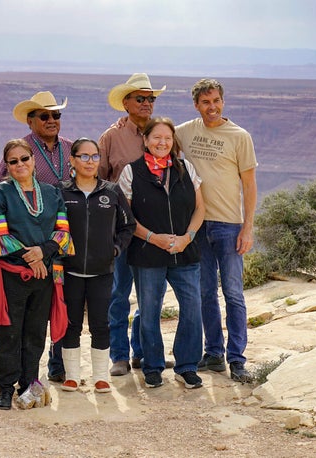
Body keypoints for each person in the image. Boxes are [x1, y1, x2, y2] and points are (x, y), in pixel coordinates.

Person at [175, 79, 258, 383]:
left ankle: (237, 359)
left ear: (223, 101)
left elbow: (249, 185)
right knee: (205, 292)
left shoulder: (239, 136)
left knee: (233, 293)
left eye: (217, 101)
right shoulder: (184, 132)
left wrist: (248, 228)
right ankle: (213, 353)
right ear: (196, 105)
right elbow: (156, 138)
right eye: (206, 102)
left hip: (229, 224)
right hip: (197, 225)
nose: (212, 107)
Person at [0, 139, 74, 410]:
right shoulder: (0, 194)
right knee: (10, 332)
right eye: (13, 161)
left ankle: (28, 385)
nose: (20, 164)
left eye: (24, 158)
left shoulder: (51, 192)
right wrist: (30, 258)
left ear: (33, 161)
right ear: (7, 166)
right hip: (12, 275)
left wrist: (42, 252)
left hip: (43, 274)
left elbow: (62, 231)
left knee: (35, 332)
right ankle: (5, 387)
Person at [118, 117, 206, 389]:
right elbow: (127, 217)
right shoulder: (131, 172)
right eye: (156, 137)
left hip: (184, 251)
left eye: (167, 138)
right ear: (145, 140)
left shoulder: (185, 168)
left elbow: (200, 209)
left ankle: (187, 366)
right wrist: (153, 238)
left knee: (192, 309)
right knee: (150, 310)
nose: (162, 143)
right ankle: (153, 366)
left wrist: (187, 238)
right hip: (147, 253)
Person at [0, 90, 74, 383]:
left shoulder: (70, 148)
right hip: (25, 252)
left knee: (61, 305)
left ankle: (58, 366)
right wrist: (33, 254)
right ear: (31, 121)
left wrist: (50, 247)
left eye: (56, 115)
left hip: (62, 240)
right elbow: (2, 194)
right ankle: (16, 380)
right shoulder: (21, 150)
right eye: (45, 115)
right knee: (22, 322)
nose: (52, 120)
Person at [98, 73, 170, 376]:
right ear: (125, 103)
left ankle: (143, 351)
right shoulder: (111, 137)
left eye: (150, 98)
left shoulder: (163, 134)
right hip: (122, 228)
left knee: (150, 295)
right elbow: (99, 179)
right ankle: (119, 355)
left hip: (155, 228)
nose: (146, 103)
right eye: (140, 98)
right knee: (119, 293)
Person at [59, 138, 135, 393]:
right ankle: (71, 376)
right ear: (72, 160)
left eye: (94, 157)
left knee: (100, 324)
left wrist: (115, 249)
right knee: (71, 323)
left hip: (102, 271)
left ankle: (101, 377)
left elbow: (128, 225)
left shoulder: (111, 191)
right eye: (84, 156)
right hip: (70, 271)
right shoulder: (61, 192)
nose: (90, 162)